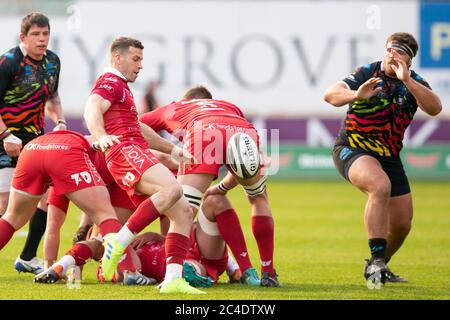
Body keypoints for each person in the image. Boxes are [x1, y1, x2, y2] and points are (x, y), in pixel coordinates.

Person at [83, 37, 203, 294]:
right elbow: (91, 109)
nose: (140, 66)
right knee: (172, 190)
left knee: (183, 213)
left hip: (135, 149)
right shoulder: (110, 81)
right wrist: (101, 135)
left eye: (141, 60)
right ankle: (118, 242)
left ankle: (172, 279)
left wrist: (172, 149)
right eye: (135, 59)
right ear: (118, 58)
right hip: (124, 151)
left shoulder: (123, 89)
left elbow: (139, 128)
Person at [323, 32, 442, 285]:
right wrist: (357, 95)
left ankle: (377, 266)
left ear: (409, 61)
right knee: (379, 186)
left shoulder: (414, 82)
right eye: (389, 49)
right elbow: (331, 95)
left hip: (389, 155)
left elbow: (435, 108)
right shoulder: (368, 73)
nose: (392, 54)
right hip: (353, 147)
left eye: (399, 52)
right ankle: (377, 261)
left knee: (402, 224)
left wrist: (407, 80)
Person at [140, 86, 280, 287]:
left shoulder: (175, 107)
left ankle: (175, 273)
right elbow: (239, 168)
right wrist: (221, 188)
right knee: (258, 198)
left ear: (186, 99)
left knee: (182, 210)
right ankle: (268, 272)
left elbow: (132, 125)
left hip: (203, 130)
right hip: (241, 129)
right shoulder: (229, 107)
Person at [0, 12, 67, 274]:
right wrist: (6, 136)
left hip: (35, 142)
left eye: (45, 34)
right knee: (6, 207)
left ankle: (27, 257)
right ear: (23, 37)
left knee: (46, 197)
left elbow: (52, 96)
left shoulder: (52, 61)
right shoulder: (9, 62)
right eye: (36, 35)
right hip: (4, 141)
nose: (42, 40)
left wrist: (60, 121)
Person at [0, 131, 125, 262]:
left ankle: (48, 268)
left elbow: (53, 226)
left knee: (12, 218)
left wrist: (50, 269)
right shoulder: (109, 163)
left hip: (33, 147)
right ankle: (128, 270)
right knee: (106, 215)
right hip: (67, 153)